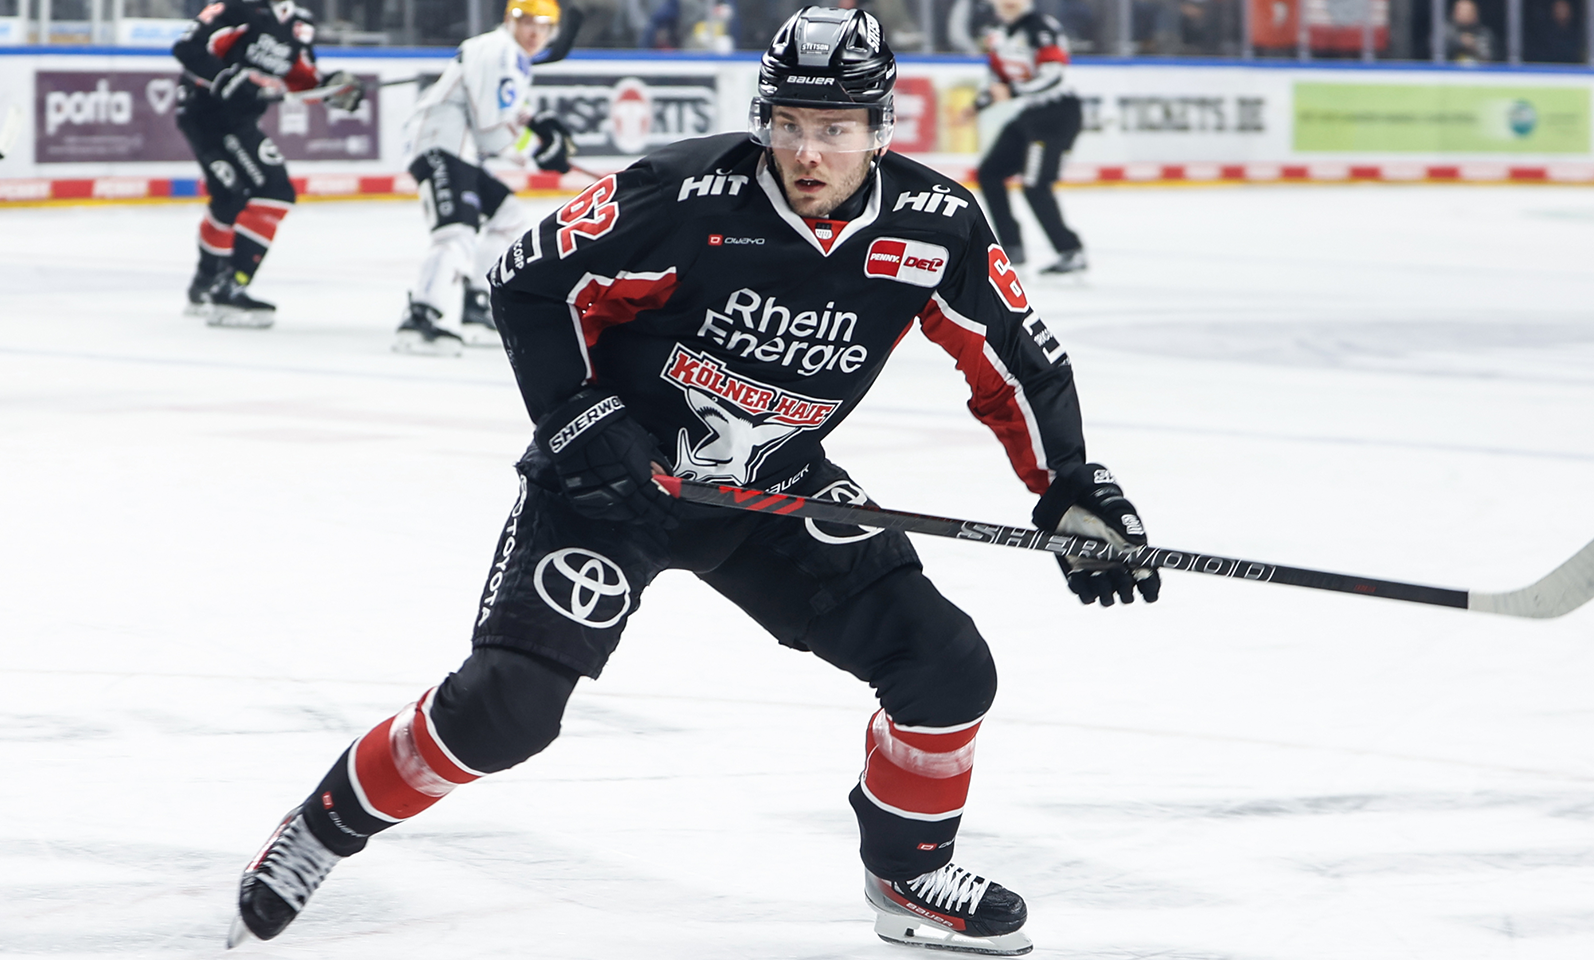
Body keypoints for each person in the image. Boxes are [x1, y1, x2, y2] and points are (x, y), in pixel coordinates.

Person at [226, 7, 1163, 956]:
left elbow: (1016, 363)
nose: (808, 150)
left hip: (772, 490)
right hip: (611, 481)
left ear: (883, 127)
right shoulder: (684, 191)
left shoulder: (938, 223)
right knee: (507, 710)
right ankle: (321, 829)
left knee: (946, 664)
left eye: (835, 128)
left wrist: (1070, 490)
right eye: (789, 122)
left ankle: (909, 872)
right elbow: (525, 281)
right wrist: (581, 425)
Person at [392, 0, 578, 356]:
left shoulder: (510, 55)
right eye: (527, 21)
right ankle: (422, 316)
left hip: (460, 150)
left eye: (544, 25)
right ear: (510, 19)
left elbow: (499, 111)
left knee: (507, 216)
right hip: (441, 146)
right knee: (455, 232)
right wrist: (539, 150)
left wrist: (534, 124)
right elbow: (492, 131)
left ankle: (473, 303)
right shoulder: (499, 50)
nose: (535, 32)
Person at [173, 0, 350, 328]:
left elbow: (302, 77)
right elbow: (188, 47)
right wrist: (226, 77)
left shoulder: (299, 22)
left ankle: (205, 287)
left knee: (230, 199)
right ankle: (229, 289)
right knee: (275, 190)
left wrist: (333, 89)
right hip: (206, 113)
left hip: (239, 121)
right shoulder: (235, 8)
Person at [976, 0, 1086, 275]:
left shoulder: (1042, 28)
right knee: (989, 174)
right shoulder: (996, 33)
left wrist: (1012, 93)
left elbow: (1053, 76)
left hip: (1057, 115)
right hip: (1028, 114)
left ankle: (1070, 251)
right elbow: (997, 78)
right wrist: (977, 104)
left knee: (1035, 185)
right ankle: (1012, 248)